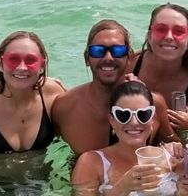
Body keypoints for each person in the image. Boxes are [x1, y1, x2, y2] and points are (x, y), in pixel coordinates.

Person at [71, 81, 188, 196]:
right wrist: (123, 187)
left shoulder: (172, 157)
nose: (133, 122)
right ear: (111, 120)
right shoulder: (91, 162)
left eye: (143, 115)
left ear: (152, 120)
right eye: (123, 115)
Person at [53, 20, 177, 156]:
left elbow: (174, 145)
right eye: (98, 51)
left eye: (117, 51)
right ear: (87, 58)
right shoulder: (64, 107)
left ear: (129, 57)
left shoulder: (153, 105)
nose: (108, 57)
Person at [131, 3, 188, 137]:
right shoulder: (131, 63)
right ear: (149, 36)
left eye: (179, 31)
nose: (169, 37)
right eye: (161, 29)